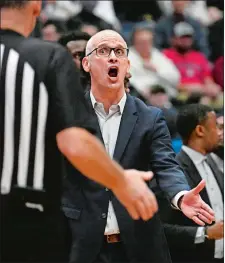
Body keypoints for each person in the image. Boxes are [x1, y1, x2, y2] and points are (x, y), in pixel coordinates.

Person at [0, 1, 161, 262]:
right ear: (36, 6)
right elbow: (74, 142)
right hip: (23, 220)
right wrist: (120, 181)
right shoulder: (46, 57)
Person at [62, 29, 215, 263]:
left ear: (127, 65)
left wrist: (181, 195)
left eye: (119, 52)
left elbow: (166, 165)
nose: (113, 57)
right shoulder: (67, 113)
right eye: (103, 51)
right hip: (80, 243)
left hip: (138, 245)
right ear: (86, 64)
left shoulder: (150, 117)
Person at [160, 104, 223, 263]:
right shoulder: (173, 171)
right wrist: (205, 233)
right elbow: (161, 228)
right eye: (216, 126)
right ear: (200, 131)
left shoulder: (212, 161)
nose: (220, 133)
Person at [163, 22, 221, 98]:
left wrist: (211, 87)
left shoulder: (199, 56)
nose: (186, 40)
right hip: (178, 92)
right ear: (174, 39)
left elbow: (207, 78)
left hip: (201, 92)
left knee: (218, 95)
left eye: (188, 37)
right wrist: (190, 88)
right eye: (182, 37)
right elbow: (167, 81)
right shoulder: (166, 55)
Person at [128, 22, 180, 99]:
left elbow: (175, 78)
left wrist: (157, 70)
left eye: (148, 41)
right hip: (140, 98)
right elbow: (129, 82)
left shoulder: (158, 55)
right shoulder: (127, 56)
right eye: (141, 42)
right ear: (134, 42)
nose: (145, 45)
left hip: (165, 97)